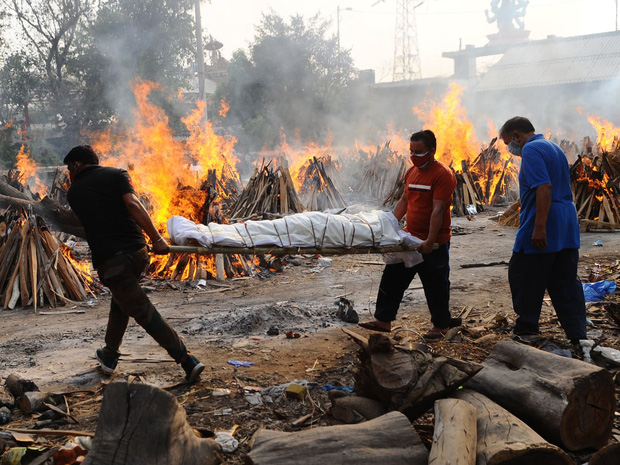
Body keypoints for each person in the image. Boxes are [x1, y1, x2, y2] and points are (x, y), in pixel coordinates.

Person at [64, 145, 205, 382]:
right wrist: (156, 239)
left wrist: (157, 238)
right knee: (121, 302)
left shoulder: (74, 192)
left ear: (77, 165)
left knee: (142, 311)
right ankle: (109, 355)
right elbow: (133, 204)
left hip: (112, 262)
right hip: (138, 254)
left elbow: (97, 217)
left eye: (70, 168)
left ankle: (186, 360)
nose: (69, 173)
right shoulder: (117, 175)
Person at [359, 130, 460, 339]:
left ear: (432, 151)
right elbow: (405, 200)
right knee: (392, 278)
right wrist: (391, 227)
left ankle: (441, 326)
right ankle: (383, 320)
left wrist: (430, 241)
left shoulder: (443, 175)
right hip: (409, 238)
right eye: (411, 151)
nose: (414, 156)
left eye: (419, 151)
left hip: (434, 242)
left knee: (436, 285)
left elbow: (438, 210)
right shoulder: (411, 172)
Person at [498, 117, 586, 344]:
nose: (511, 148)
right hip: (566, 222)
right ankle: (578, 335)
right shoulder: (552, 147)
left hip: (545, 219)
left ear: (517, 135)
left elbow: (544, 187)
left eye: (509, 142)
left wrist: (539, 228)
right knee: (564, 280)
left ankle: (527, 327)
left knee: (524, 273)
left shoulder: (532, 150)